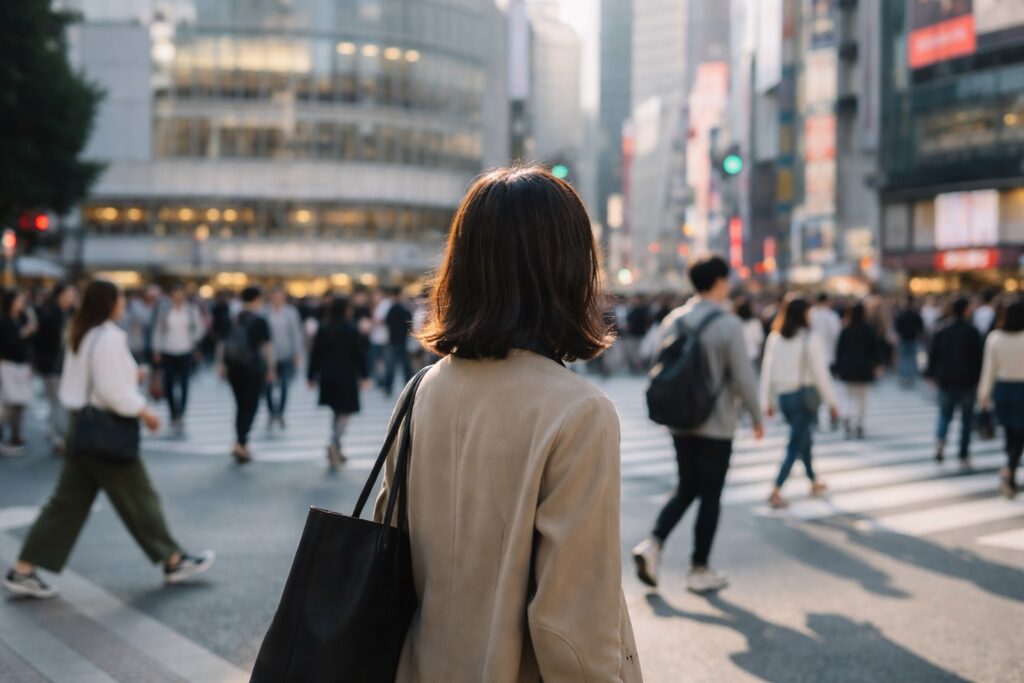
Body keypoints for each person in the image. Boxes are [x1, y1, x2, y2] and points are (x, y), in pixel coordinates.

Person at [373, 166, 641, 682]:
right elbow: (572, 628)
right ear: (570, 268)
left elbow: (391, 544)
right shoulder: (578, 412)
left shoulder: (422, 391)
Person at [2, 280, 214, 600]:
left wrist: (131, 377)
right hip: (106, 428)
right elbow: (111, 391)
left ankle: (24, 568)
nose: (124, 303)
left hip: (82, 425)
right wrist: (144, 412)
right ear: (109, 303)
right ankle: (173, 559)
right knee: (139, 496)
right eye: (120, 298)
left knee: (66, 503)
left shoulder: (82, 332)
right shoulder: (108, 337)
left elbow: (95, 382)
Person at [632, 254, 763, 594]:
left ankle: (653, 544)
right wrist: (757, 416)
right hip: (716, 423)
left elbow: (659, 364)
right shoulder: (728, 324)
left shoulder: (673, 320)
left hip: (680, 420)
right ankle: (699, 568)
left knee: (687, 485)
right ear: (719, 282)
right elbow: (743, 377)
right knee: (710, 495)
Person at [760, 294, 840, 509]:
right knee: (796, 443)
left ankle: (813, 481)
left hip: (784, 397)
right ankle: (776, 488)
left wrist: (767, 401)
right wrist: (832, 402)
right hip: (803, 398)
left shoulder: (775, 337)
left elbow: (768, 371)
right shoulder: (809, 338)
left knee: (804, 440)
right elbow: (821, 374)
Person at [307, 297, 367, 467]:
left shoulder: (323, 327)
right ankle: (334, 443)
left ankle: (337, 448)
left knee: (336, 410)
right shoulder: (351, 329)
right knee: (345, 411)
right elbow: (358, 354)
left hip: (327, 375)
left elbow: (315, 354)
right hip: (346, 375)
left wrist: (311, 376)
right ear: (346, 309)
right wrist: (364, 375)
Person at [219, 286, 275, 463]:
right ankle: (241, 442)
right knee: (251, 406)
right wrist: (271, 368)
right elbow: (266, 347)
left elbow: (222, 343)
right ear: (257, 299)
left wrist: (221, 364)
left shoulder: (232, 318)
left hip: (234, 367)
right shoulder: (260, 321)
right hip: (253, 368)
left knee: (240, 405)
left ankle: (240, 442)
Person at [926, 298, 983, 467]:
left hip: (946, 379)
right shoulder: (972, 331)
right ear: (965, 310)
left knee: (944, 414)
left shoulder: (942, 329)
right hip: (967, 380)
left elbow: (933, 354)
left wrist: (931, 374)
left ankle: (940, 442)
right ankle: (963, 454)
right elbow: (979, 358)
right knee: (966, 420)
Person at [977, 300, 1024, 497]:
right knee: (1020, 433)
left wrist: (983, 394)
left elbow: (989, 368)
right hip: (1021, 389)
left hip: (1002, 389)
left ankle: (1010, 470)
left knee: (1009, 431)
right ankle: (1010, 470)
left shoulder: (994, 338)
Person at [151, 284, 206, 435]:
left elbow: (200, 328)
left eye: (180, 294)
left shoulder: (191, 310)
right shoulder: (164, 310)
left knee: (184, 383)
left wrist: (193, 341)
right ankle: (172, 411)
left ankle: (181, 412)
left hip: (185, 351)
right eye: (175, 294)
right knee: (168, 383)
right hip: (168, 350)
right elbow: (158, 330)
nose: (177, 297)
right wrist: (157, 349)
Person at [32, 283, 77, 453]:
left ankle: (55, 434)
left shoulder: (69, 314)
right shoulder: (51, 315)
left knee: (57, 401)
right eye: (68, 295)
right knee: (58, 401)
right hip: (53, 364)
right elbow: (41, 342)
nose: (71, 299)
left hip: (64, 364)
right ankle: (59, 437)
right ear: (59, 296)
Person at [834, 302, 883, 439]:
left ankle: (848, 419)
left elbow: (839, 351)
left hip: (848, 368)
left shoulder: (845, 329)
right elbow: (875, 349)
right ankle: (859, 423)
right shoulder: (868, 329)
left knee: (848, 396)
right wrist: (877, 365)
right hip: (864, 368)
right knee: (862, 397)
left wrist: (838, 368)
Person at [0, 289, 38, 454]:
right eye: (19, 300)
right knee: (10, 402)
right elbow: (7, 342)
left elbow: (33, 336)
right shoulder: (4, 320)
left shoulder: (23, 318)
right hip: (8, 364)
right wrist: (23, 333)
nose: (21, 303)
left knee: (21, 402)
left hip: (23, 364)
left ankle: (15, 435)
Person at [264, 288, 304, 430]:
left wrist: (297, 353)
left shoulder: (291, 313)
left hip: (286, 355)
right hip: (268, 357)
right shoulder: (265, 312)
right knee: (268, 387)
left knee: (285, 385)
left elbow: (296, 333)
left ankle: (280, 412)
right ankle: (271, 411)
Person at [382, 288, 413, 396]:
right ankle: (409, 386)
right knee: (406, 366)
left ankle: (388, 387)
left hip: (393, 341)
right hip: (403, 341)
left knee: (391, 366)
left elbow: (387, 322)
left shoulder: (391, 309)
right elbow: (410, 324)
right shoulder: (405, 309)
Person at [894, 297, 924, 387]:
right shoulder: (915, 315)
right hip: (912, 339)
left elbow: (897, 328)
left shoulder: (902, 315)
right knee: (911, 359)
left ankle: (905, 377)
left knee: (904, 359)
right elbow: (921, 327)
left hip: (905, 339)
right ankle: (911, 377)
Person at [809, 293, 841, 370]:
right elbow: (836, 334)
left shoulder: (810, 314)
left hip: (812, 354)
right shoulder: (833, 316)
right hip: (829, 353)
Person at [735, 297, 765, 367]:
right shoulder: (755, 323)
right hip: (753, 354)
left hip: (740, 355)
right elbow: (759, 339)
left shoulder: (735, 323)